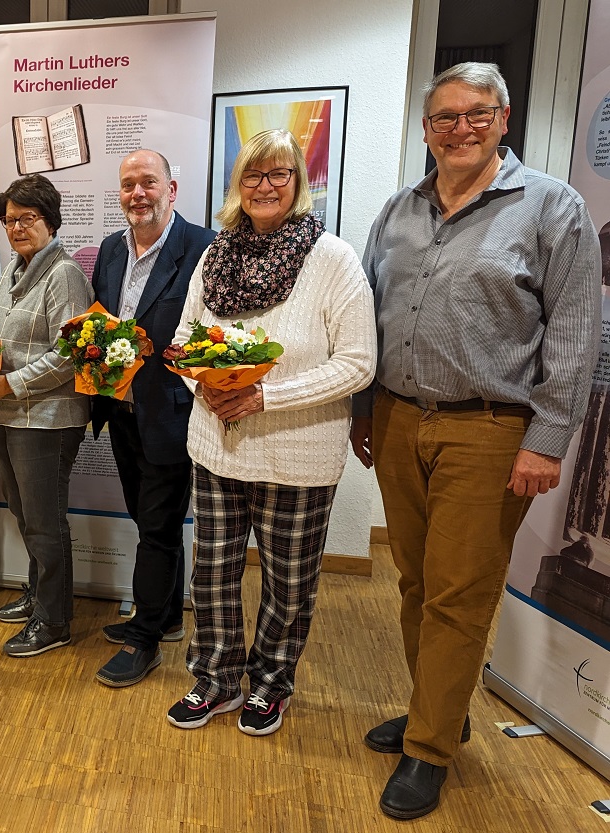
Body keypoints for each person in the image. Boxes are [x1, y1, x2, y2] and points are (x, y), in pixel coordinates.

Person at [351, 62, 600, 820]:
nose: (460, 128)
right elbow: (371, 310)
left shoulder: (553, 208)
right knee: (416, 583)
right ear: (425, 129)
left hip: (491, 431)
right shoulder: (397, 209)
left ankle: (429, 750)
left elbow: (577, 333)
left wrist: (548, 438)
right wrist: (363, 409)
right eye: (445, 117)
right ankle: (442, 708)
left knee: (460, 594)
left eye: (476, 114)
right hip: (397, 420)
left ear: (504, 117)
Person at [165, 128, 376, 739]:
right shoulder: (216, 255)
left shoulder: (331, 258)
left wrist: (264, 395)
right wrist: (200, 384)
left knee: (288, 580)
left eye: (279, 173)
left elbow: (358, 362)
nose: (265, 185)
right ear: (238, 186)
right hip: (215, 447)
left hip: (297, 453)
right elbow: (183, 340)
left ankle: (270, 683)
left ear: (297, 184)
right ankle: (216, 678)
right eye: (254, 175)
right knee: (212, 572)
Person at [89, 149, 217, 687]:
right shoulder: (110, 250)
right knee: (148, 520)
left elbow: (212, 328)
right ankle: (164, 616)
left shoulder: (204, 247)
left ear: (172, 189)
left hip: (172, 410)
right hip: (120, 409)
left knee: (160, 524)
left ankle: (144, 639)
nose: (136, 193)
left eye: (148, 182)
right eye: (127, 185)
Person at [0, 175, 93, 656]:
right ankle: (40, 594)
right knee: (25, 515)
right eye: (9, 219)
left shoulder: (64, 273)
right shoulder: (13, 270)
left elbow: (72, 351)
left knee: (45, 521)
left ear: (50, 220)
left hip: (46, 417)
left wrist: (10, 382)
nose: (16, 227)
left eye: (27, 218)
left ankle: (54, 620)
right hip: (5, 413)